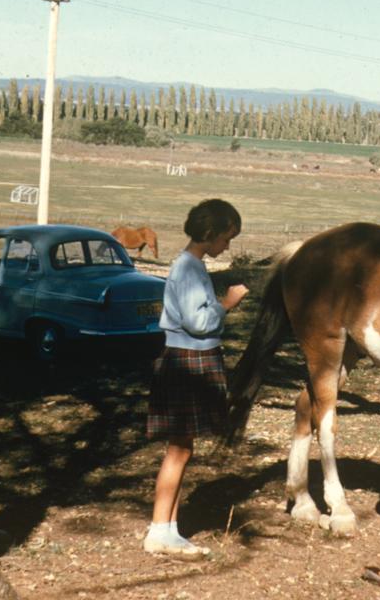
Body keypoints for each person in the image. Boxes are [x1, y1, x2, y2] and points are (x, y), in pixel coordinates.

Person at [143, 198, 249, 557]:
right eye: (226, 238)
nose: (227, 246)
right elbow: (198, 322)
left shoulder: (193, 266)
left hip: (191, 359)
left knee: (182, 448)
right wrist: (229, 304)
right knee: (177, 450)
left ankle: (169, 529)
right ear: (210, 233)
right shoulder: (188, 268)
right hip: (188, 362)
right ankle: (158, 531)